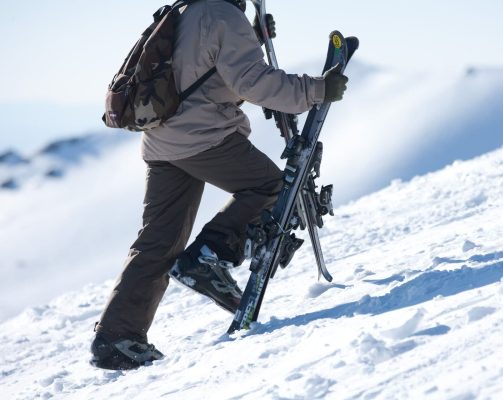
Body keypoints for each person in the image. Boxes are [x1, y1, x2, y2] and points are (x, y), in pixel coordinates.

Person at [90, 0, 348, 370]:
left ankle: (116, 337)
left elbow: (201, 69)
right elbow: (253, 82)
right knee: (270, 188)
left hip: (162, 141)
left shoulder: (184, 10)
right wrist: (317, 90)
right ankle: (208, 257)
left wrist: (253, 37)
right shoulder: (223, 15)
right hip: (202, 136)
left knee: (159, 239)